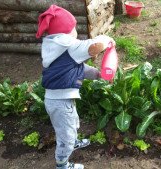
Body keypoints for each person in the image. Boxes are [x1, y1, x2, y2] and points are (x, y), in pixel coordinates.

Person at [36, 5, 115, 169]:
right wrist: (106, 39)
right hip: (60, 102)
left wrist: (97, 74)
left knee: (71, 123)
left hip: (58, 99)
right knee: (66, 132)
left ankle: (72, 141)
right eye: (73, 28)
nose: (75, 31)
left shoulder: (56, 48)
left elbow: (78, 68)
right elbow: (94, 47)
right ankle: (62, 164)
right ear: (65, 31)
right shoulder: (68, 46)